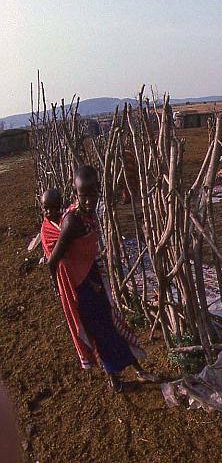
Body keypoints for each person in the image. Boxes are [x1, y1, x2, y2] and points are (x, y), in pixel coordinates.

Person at [42, 167, 156, 393]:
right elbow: (54, 261)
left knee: (112, 324)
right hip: (80, 288)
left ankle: (137, 370)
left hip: (91, 279)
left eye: (92, 194)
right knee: (101, 331)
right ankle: (115, 380)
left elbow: (84, 251)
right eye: (83, 195)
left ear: (98, 191)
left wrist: (92, 275)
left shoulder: (89, 214)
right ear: (76, 193)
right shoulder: (72, 221)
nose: (88, 200)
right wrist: (64, 288)